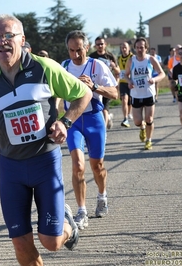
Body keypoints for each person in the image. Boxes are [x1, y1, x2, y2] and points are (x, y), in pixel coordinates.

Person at [0, 14, 92, 265]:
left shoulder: (44, 67)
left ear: (22, 39)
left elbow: (84, 93)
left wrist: (65, 122)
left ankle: (69, 227)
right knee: (21, 243)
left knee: (51, 242)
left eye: (9, 35)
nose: (2, 42)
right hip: (11, 167)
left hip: (45, 162)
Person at [59, 30, 118, 229]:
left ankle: (102, 195)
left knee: (97, 166)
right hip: (73, 122)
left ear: (87, 48)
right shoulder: (64, 67)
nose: (75, 55)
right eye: (71, 50)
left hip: (94, 120)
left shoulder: (97, 65)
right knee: (77, 165)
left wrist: (95, 87)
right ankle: (81, 210)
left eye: (79, 50)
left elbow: (115, 92)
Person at [125, 37, 165, 150]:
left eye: (142, 47)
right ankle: (142, 128)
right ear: (134, 48)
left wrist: (154, 80)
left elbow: (162, 74)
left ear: (146, 48)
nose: (139, 49)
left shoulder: (151, 59)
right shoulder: (131, 60)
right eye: (137, 47)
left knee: (149, 118)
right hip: (136, 94)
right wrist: (129, 81)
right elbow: (125, 75)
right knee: (137, 121)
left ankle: (148, 140)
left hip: (149, 93)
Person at [88, 36, 120, 129]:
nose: (100, 46)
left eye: (101, 44)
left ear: (105, 45)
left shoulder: (110, 56)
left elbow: (118, 71)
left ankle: (103, 131)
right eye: (98, 44)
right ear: (95, 46)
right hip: (94, 86)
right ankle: (108, 118)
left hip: (106, 86)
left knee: (105, 109)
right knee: (98, 108)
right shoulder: (92, 57)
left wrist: (113, 66)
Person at [117, 42, 133, 127]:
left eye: (125, 47)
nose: (123, 49)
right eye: (122, 47)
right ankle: (125, 118)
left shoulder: (133, 57)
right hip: (123, 82)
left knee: (130, 101)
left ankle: (129, 112)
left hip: (132, 82)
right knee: (124, 99)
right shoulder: (119, 58)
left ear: (129, 48)